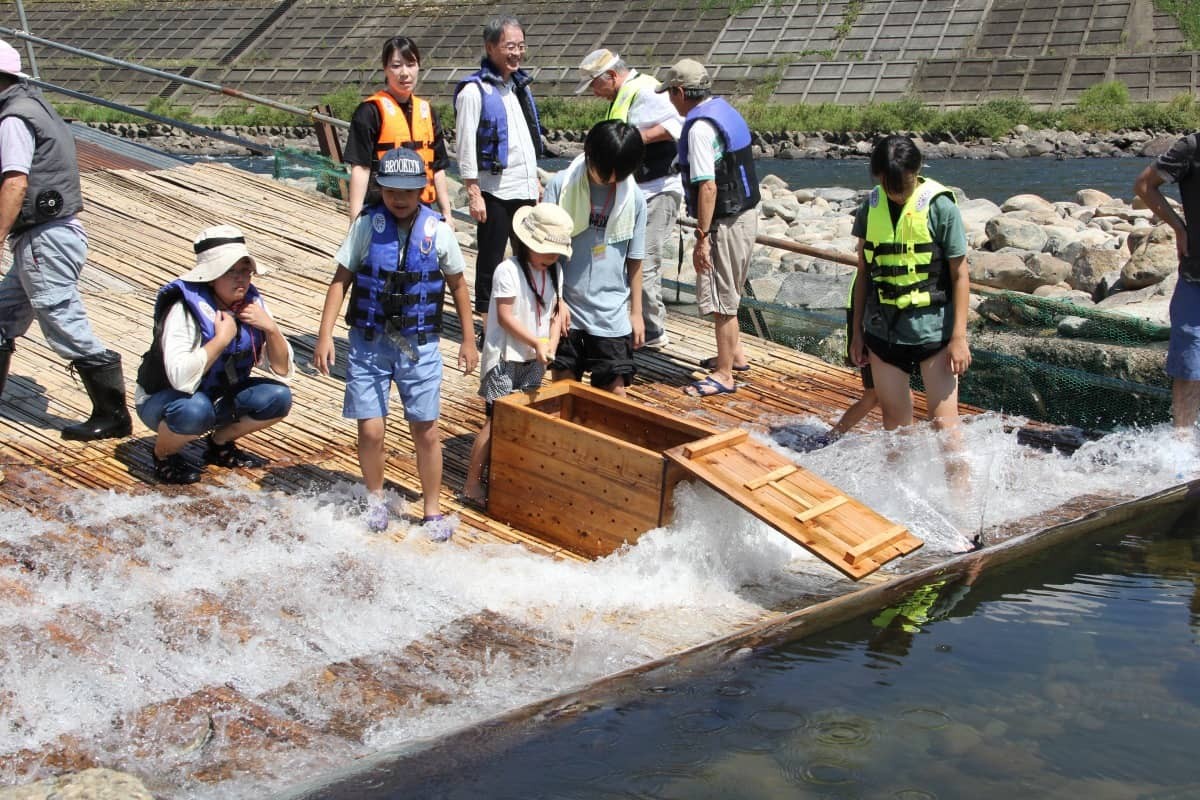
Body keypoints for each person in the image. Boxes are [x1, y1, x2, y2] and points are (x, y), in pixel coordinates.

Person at [314, 148, 478, 537]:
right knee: (371, 429)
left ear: (423, 189)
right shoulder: (367, 225)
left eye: (408, 191)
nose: (399, 199)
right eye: (390, 191)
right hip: (370, 341)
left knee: (426, 427)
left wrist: (470, 340)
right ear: (380, 188)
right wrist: (324, 335)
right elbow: (341, 280)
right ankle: (375, 499)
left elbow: (457, 285)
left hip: (417, 346)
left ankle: (432, 508)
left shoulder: (437, 230)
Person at [0, 39, 131, 441]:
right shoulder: (34, 104)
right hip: (51, 234)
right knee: (2, 315)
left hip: (44, 238)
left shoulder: (11, 120)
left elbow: (15, 184)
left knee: (62, 321)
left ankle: (113, 415)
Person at [135, 225, 294, 485]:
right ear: (210, 277)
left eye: (245, 271)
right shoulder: (183, 309)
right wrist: (221, 340)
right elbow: (180, 379)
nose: (240, 279)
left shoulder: (252, 304)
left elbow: (281, 369)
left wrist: (271, 328)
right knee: (195, 410)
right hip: (165, 400)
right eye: (230, 271)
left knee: (278, 397)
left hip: (216, 396)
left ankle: (219, 443)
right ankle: (162, 456)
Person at [849, 136, 970, 461]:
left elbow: (960, 274)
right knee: (896, 431)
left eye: (901, 183)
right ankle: (900, 505)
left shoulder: (941, 207)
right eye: (888, 183)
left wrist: (959, 337)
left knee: (946, 429)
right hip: (883, 336)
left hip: (935, 336)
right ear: (877, 176)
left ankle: (962, 507)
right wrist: (857, 332)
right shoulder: (869, 207)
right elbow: (864, 273)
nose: (895, 191)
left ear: (917, 170)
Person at [656, 59, 760, 397]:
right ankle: (736, 356)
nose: (670, 100)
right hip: (745, 216)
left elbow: (708, 187)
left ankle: (725, 374)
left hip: (724, 224)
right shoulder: (722, 110)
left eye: (670, 93)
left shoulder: (700, 130)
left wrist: (702, 238)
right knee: (730, 290)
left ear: (681, 91)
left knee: (721, 300)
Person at [462, 203, 569, 505]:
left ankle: (511, 475)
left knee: (525, 416)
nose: (551, 258)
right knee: (497, 419)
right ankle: (472, 482)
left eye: (555, 253)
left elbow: (555, 313)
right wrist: (538, 343)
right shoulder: (507, 270)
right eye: (546, 251)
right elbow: (506, 317)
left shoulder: (555, 271)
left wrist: (549, 346)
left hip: (534, 358)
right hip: (506, 358)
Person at [576, 48, 683, 350]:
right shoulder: (625, 94)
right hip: (637, 190)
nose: (594, 93)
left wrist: (635, 138)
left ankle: (652, 330)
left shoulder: (646, 89)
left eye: (595, 85)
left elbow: (677, 124)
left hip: (659, 189)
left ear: (611, 76)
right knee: (624, 256)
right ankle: (636, 323)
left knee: (644, 260)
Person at [544, 120, 646, 396]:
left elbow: (635, 258)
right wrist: (554, 302)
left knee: (615, 393)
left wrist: (636, 313)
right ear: (589, 153)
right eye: (604, 172)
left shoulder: (634, 197)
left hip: (610, 312)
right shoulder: (561, 186)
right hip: (566, 308)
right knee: (563, 391)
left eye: (619, 175)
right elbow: (542, 251)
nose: (611, 179)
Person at [454, 14, 542, 326]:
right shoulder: (473, 91)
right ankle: (486, 322)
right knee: (491, 259)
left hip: (525, 188)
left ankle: (523, 318)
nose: (517, 53)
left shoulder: (519, 87)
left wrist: (536, 181)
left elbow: (524, 141)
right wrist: (473, 192)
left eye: (521, 46)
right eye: (510, 46)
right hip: (495, 191)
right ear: (491, 47)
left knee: (529, 257)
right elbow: (464, 145)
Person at [344, 36, 453, 221]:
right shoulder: (370, 111)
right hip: (382, 208)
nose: (404, 73)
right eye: (396, 65)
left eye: (411, 64)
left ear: (418, 66)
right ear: (385, 69)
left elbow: (438, 168)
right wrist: (355, 218)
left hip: (421, 208)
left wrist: (447, 214)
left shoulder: (427, 111)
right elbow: (360, 167)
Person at [1134, 138, 1200, 441]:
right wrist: (1178, 227)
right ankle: (1182, 448)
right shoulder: (1192, 147)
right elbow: (1145, 185)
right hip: (1196, 278)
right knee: (1189, 366)